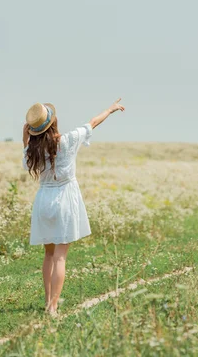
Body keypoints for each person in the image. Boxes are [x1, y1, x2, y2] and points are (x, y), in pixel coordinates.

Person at [22, 99, 125, 316]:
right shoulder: (68, 140)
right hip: (64, 198)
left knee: (49, 255)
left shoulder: (32, 150)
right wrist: (110, 109)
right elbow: (93, 123)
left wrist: (27, 137)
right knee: (60, 256)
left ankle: (48, 299)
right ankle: (53, 307)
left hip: (43, 200)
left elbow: (26, 155)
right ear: (54, 122)